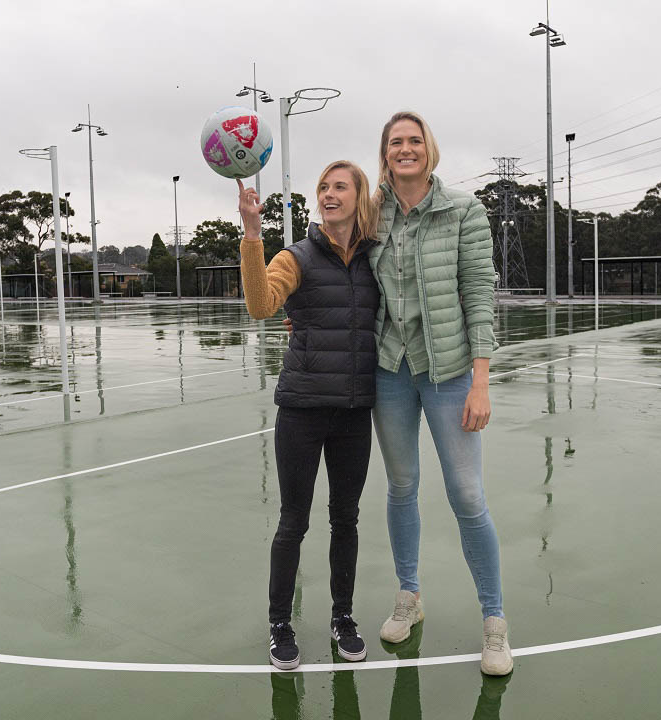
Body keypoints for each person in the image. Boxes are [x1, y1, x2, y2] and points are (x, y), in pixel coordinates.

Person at [369, 111, 512, 676]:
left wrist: (481, 380)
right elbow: (329, 259)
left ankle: (495, 624)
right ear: (384, 153)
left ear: (429, 150)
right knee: (401, 486)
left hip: (449, 372)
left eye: (414, 141)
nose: (405, 149)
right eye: (395, 142)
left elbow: (480, 293)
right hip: (389, 369)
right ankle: (410, 596)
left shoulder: (464, 210)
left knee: (467, 495)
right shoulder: (370, 209)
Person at [238, 160, 380, 670]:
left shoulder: (375, 259)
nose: (329, 194)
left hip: (353, 412)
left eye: (340, 187)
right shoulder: (295, 256)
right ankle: (281, 623)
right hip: (301, 410)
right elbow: (260, 305)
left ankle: (343, 617)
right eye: (323, 187)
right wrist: (253, 233)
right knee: (293, 522)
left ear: (360, 197)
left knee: (346, 520)